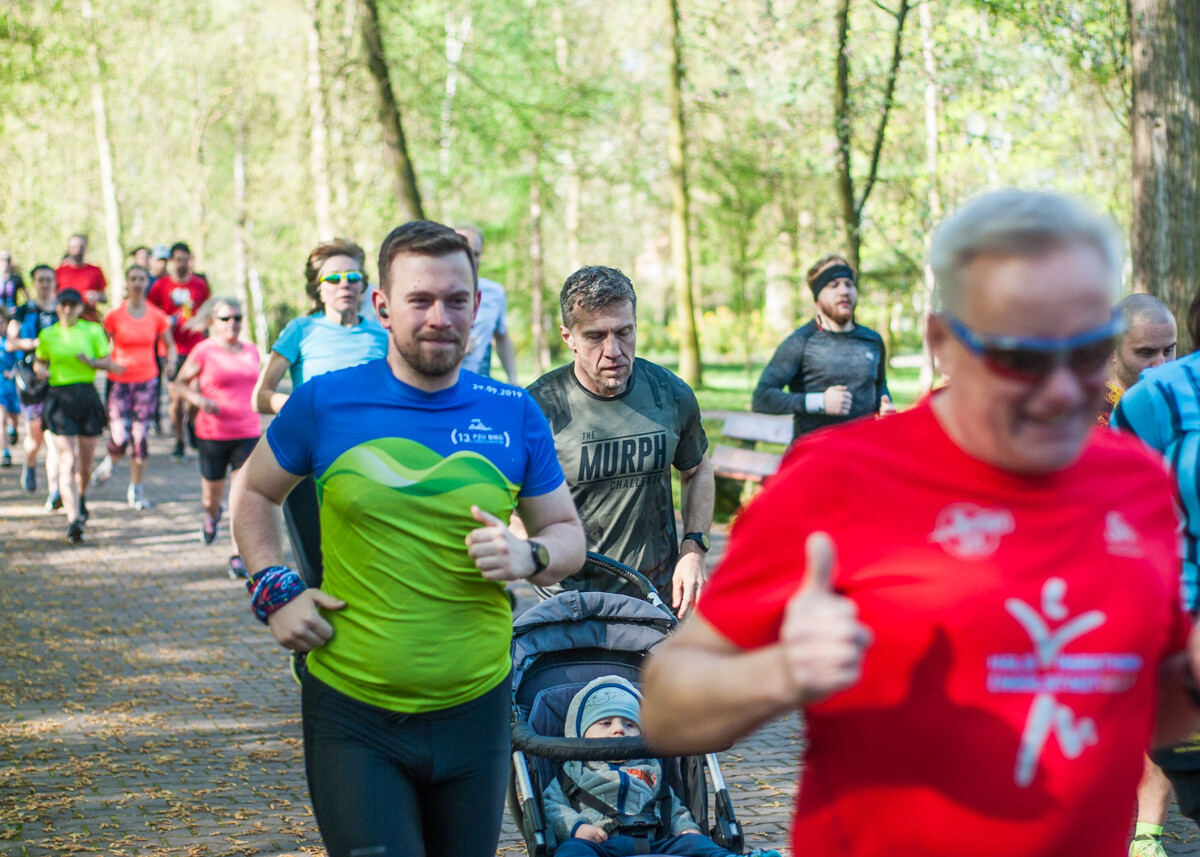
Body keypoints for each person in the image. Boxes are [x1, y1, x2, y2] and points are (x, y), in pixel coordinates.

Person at [640, 189, 1200, 857]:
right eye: (1019, 355)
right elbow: (666, 708)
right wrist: (782, 671)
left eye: (1083, 351)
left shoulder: (1136, 480)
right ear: (943, 343)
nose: (1056, 388)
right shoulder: (838, 479)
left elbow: (1161, 691)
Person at [229, 220, 585, 857]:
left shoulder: (512, 411)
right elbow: (254, 491)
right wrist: (274, 589)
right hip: (355, 713)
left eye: (456, 300)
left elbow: (566, 535)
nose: (439, 317)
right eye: (420, 300)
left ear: (476, 306)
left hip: (477, 712)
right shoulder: (325, 402)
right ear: (383, 307)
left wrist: (528, 554)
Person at [527, 266, 714, 617]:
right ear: (569, 337)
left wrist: (693, 549)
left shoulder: (669, 394)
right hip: (569, 601)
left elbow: (698, 470)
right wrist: (534, 555)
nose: (613, 350)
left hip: (654, 595)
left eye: (624, 332)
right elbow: (509, 505)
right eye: (595, 336)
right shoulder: (538, 408)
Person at [1114, 296, 1200, 857]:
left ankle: (1148, 834)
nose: (1160, 362)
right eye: (1145, 352)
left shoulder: (1178, 397)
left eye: (1169, 349)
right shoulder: (1093, 409)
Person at [251, 238, 387, 587]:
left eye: (353, 277)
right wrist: (304, 408)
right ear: (318, 287)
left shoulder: (382, 334)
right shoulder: (301, 330)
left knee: (373, 565)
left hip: (373, 462)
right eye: (333, 278)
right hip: (311, 463)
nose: (344, 284)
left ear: (364, 285)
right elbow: (261, 396)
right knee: (319, 572)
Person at [543, 675, 780, 857]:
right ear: (579, 733)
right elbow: (550, 806)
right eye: (606, 723)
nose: (618, 730)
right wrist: (577, 828)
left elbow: (671, 806)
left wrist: (686, 828)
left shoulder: (650, 768)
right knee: (573, 849)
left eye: (629, 724)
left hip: (655, 843)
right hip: (600, 844)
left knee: (696, 843)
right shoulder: (574, 771)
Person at [751, 254, 893, 440]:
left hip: (864, 449)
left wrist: (885, 406)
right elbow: (762, 398)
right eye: (833, 285)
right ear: (817, 296)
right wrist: (820, 402)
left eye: (849, 284)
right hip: (816, 451)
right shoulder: (800, 341)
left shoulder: (872, 340)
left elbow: (879, 385)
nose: (844, 291)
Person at [171, 296, 259, 579]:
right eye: (225, 318)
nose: (232, 323)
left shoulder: (251, 350)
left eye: (237, 318)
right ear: (212, 321)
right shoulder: (203, 351)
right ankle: (211, 516)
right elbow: (178, 384)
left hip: (248, 432)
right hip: (213, 434)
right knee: (212, 498)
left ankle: (237, 554)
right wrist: (198, 400)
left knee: (242, 497)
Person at [34, 288, 121, 544]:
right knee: (67, 461)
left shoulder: (92, 331)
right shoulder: (48, 334)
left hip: (86, 396)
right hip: (59, 398)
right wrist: (41, 371)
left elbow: (108, 362)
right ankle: (73, 519)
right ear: (57, 307)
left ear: (80, 308)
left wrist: (90, 361)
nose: (68, 309)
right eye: (64, 304)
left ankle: (80, 497)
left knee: (85, 465)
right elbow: (40, 362)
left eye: (73, 305)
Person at [93, 266, 176, 510]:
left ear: (146, 283)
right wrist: (106, 363)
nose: (138, 283)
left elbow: (170, 345)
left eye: (142, 279)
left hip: (147, 381)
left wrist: (171, 363)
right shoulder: (114, 316)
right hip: (119, 382)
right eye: (133, 279)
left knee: (140, 437)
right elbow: (100, 347)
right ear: (127, 283)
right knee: (120, 437)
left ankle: (136, 489)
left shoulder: (156, 316)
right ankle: (110, 461)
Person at [148, 241, 210, 460]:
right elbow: (151, 313)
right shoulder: (160, 286)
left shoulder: (200, 284)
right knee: (176, 399)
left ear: (190, 260)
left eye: (185, 260)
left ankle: (191, 422)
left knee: (196, 392)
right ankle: (179, 440)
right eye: (177, 260)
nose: (181, 264)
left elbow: (209, 312)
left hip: (196, 347)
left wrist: (201, 325)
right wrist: (167, 321)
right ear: (172, 261)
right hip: (170, 349)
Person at [7, 265, 61, 503]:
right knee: (35, 438)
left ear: (55, 282)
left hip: (57, 379)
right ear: (34, 282)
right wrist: (36, 343)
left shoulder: (62, 309)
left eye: (49, 280)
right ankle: (29, 463)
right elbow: (10, 343)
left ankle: (55, 491)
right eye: (40, 280)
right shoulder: (23, 311)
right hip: (30, 381)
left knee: (55, 439)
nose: (45, 284)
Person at [1098, 293, 1176, 426]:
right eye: (1146, 353)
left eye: (1168, 351)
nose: (1161, 365)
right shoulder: (1087, 415)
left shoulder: (1182, 402)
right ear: (1112, 352)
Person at [454, 223, 518, 383]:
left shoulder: (494, 292)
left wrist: (513, 378)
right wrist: (453, 347)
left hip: (479, 384)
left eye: (475, 253)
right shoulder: (432, 293)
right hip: (441, 388)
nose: (470, 259)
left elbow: (501, 336)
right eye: (463, 251)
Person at [55, 234, 108, 324]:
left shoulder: (95, 270)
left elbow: (104, 298)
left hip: (89, 319)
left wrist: (97, 296)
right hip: (66, 320)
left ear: (86, 248)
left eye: (81, 247)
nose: (77, 250)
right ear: (68, 248)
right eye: (74, 247)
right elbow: (51, 297)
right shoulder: (59, 271)